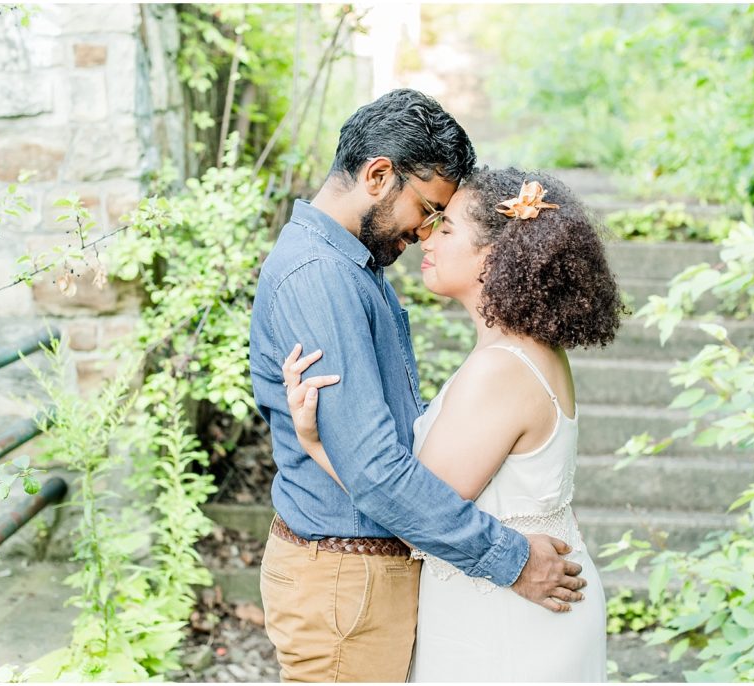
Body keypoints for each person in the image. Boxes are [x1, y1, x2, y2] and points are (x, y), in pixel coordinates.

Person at [248, 90, 587, 683]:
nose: (426, 232)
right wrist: (511, 560)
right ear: (379, 175)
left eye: (442, 221)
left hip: (366, 579)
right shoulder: (322, 276)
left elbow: (400, 451)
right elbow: (377, 470)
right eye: (428, 208)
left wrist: (321, 442)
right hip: (343, 581)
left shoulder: (356, 266)